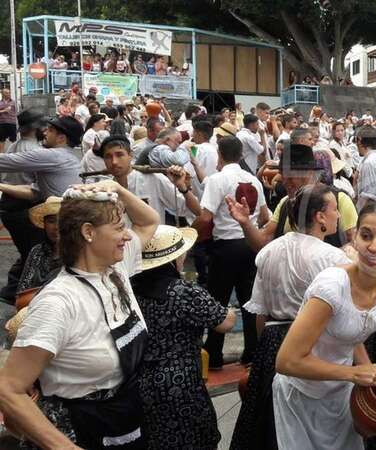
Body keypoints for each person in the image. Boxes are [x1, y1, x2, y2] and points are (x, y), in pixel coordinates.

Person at [0, 180, 159, 449]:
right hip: (79, 428)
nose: (128, 235)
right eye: (119, 227)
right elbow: (8, 389)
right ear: (88, 232)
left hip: (121, 419)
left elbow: (148, 222)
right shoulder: (58, 302)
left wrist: (116, 189)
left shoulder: (115, 270)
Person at [230, 183, 351, 450]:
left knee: (266, 426)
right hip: (311, 347)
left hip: (272, 346)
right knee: (309, 427)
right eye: (334, 209)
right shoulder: (332, 257)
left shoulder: (269, 251)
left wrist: (265, 353)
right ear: (320, 216)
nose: (338, 215)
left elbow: (261, 314)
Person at [272, 201, 376, 450]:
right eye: (365, 236)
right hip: (303, 398)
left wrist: (366, 371)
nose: (373, 246)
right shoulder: (331, 288)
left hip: (340, 396)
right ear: (355, 240)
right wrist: (352, 373)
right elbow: (287, 361)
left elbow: (352, 332)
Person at [131, 225, 235, 450]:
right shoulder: (183, 292)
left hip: (141, 378)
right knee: (193, 439)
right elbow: (226, 322)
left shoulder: (131, 289)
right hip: (182, 379)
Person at [194, 136, 269, 369]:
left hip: (225, 246)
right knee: (249, 301)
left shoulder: (217, 179)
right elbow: (266, 216)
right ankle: (252, 352)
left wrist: (188, 232)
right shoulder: (253, 180)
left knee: (218, 300)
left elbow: (205, 217)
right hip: (250, 243)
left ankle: (214, 353)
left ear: (221, 154)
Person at [0, 111, 48, 302]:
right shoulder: (37, 151)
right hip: (24, 203)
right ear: (37, 128)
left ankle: (13, 289)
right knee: (34, 250)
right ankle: (19, 292)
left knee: (28, 249)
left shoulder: (13, 146)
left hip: (8, 204)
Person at [16, 197, 62, 294]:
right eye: (51, 221)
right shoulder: (37, 251)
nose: (56, 227)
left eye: (61, 221)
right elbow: (23, 287)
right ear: (44, 224)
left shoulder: (80, 254)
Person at [0, 88, 18, 153]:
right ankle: (1, 156)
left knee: (14, 140)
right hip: (2, 123)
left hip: (11, 123)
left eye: (9, 92)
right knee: (2, 140)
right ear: (3, 94)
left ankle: (15, 154)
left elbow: (16, 112)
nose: (9, 94)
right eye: (7, 93)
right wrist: (4, 110)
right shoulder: (0, 102)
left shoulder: (13, 102)